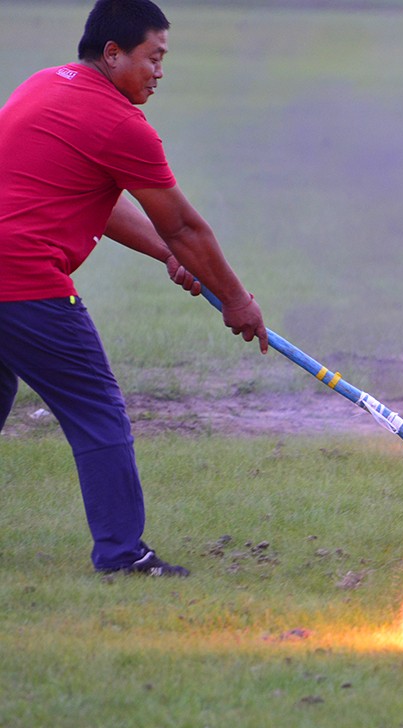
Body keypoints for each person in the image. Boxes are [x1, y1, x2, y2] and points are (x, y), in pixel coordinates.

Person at [0, 0, 268, 576]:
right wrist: (238, 302)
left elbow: (101, 199)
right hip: (23, 282)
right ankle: (122, 556)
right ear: (113, 53)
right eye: (154, 57)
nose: (159, 72)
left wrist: (167, 255)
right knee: (99, 414)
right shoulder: (121, 124)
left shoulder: (43, 85)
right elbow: (185, 224)